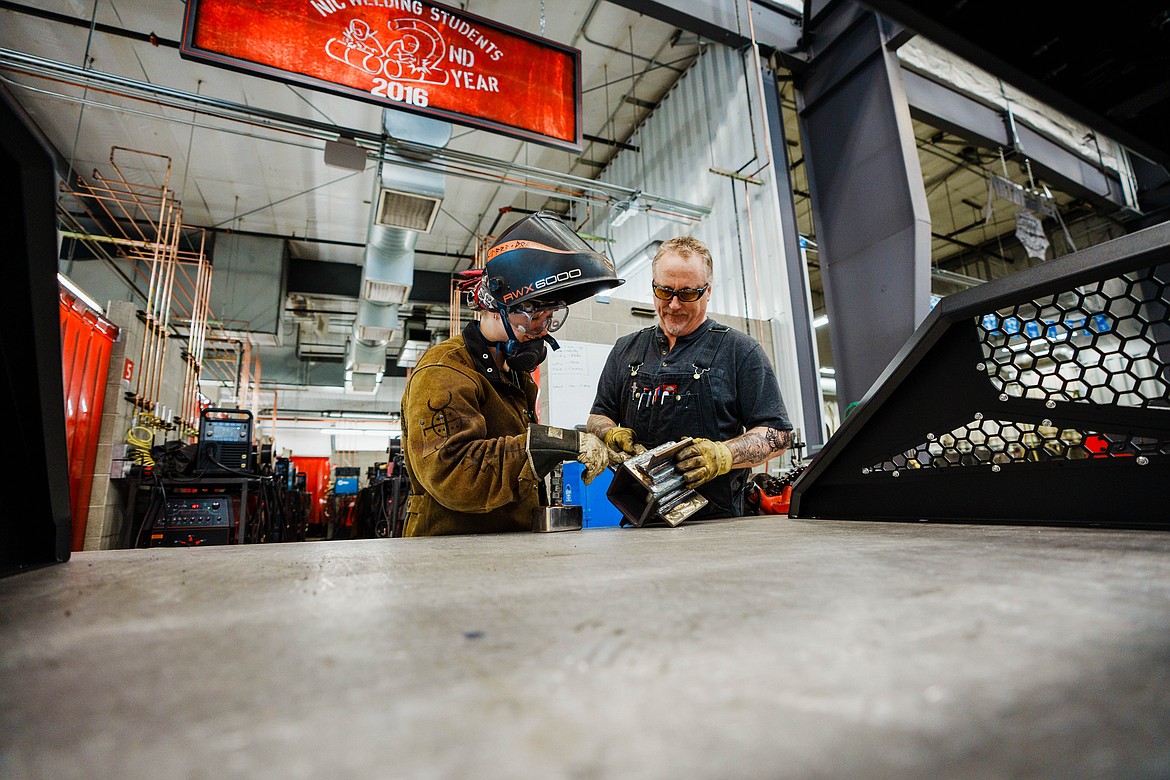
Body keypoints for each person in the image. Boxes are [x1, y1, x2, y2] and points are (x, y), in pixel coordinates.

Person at [400, 211, 624, 537]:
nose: (542, 331)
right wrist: (551, 445)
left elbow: (512, 448)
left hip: (504, 546)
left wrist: (579, 442)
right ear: (496, 305)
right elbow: (453, 475)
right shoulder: (445, 372)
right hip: (449, 555)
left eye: (551, 319)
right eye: (534, 318)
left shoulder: (510, 373)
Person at [587, 235, 793, 520]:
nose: (673, 305)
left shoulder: (740, 351)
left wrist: (723, 456)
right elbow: (599, 415)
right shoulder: (626, 349)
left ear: (707, 291)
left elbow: (779, 435)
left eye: (687, 294)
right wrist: (610, 432)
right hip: (640, 519)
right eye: (664, 291)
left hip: (717, 524)